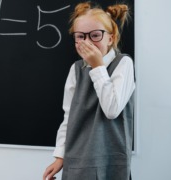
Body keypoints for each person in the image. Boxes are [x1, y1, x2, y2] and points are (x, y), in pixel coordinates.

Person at [43, 2, 135, 180]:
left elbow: (112, 110)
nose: (87, 42)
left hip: (110, 160)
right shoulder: (76, 70)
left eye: (95, 35)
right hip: (77, 159)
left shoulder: (123, 64)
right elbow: (69, 117)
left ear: (111, 37)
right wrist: (59, 157)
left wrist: (98, 66)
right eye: (80, 37)